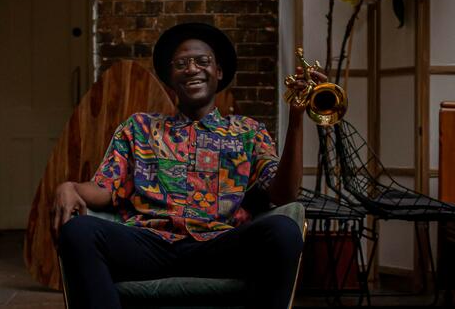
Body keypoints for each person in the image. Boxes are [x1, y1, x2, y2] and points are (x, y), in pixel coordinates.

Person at [51, 22, 326, 309]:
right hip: (149, 245)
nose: (192, 69)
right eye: (181, 64)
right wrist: (69, 187)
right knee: (78, 232)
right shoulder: (140, 128)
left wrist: (296, 121)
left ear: (218, 72)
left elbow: (283, 195)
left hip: (217, 246)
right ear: (171, 77)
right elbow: (104, 188)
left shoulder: (248, 132)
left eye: (202, 61)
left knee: (283, 231)